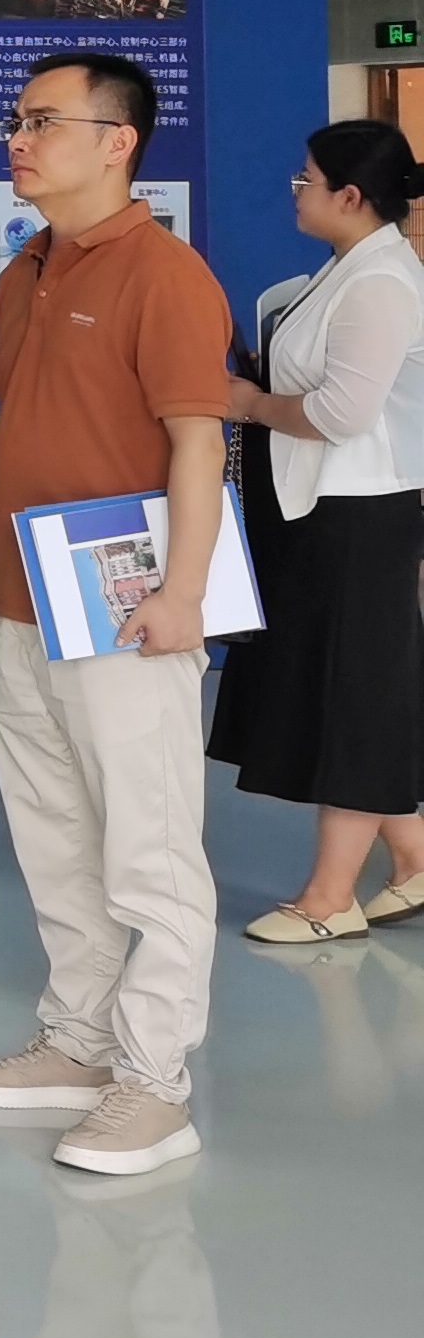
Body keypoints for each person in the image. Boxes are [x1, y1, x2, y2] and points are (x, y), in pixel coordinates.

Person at [0, 50, 230, 1177]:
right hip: (23, 600)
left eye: (44, 121)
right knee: (54, 839)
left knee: (149, 852)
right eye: (15, 120)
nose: (19, 139)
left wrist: (183, 594)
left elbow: (199, 443)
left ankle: (155, 1086)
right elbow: (31, 422)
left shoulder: (167, 275)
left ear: (118, 142)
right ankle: (81, 1042)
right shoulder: (25, 268)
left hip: (127, 610)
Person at [210, 119, 424, 939]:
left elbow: (341, 413)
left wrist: (249, 403)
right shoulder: (345, 269)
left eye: (306, 180)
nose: (295, 192)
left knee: (356, 701)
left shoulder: (381, 282)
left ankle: (331, 900)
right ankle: (414, 860)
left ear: (351, 195)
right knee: (343, 690)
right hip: (318, 513)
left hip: (359, 517)